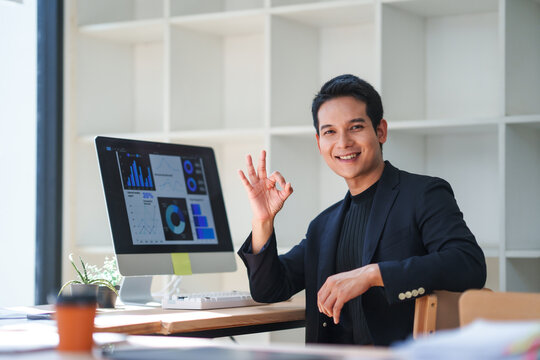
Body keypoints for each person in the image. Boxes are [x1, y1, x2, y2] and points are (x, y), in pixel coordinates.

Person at [237, 74, 486, 346]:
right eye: (330, 131)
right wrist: (263, 221)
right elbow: (269, 290)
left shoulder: (423, 194)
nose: (343, 142)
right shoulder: (323, 225)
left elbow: (468, 264)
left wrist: (373, 275)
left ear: (380, 131)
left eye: (355, 127)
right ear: (319, 143)